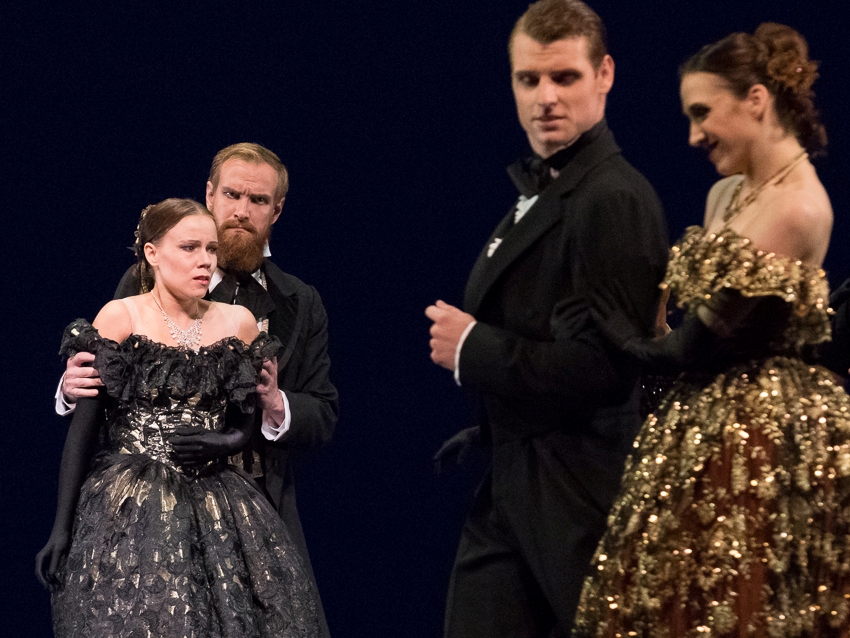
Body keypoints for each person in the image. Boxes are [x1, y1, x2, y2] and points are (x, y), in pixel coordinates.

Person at [574, 23, 850, 637]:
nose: (694, 135)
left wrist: (619, 341)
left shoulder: (800, 207)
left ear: (756, 100)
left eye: (703, 114)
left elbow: (694, 343)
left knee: (737, 594)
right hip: (697, 424)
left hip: (760, 438)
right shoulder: (726, 193)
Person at [425, 0, 668, 634]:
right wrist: (489, 428)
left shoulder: (611, 197)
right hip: (519, 482)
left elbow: (608, 366)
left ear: (605, 75)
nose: (544, 98)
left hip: (578, 493)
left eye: (564, 78)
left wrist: (474, 348)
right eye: (528, 79)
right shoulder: (546, 192)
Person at [56, 143, 338, 637]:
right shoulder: (145, 280)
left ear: (277, 210)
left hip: (255, 505)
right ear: (210, 194)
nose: (241, 211)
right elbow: (113, 382)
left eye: (257, 200)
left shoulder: (299, 301)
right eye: (231, 194)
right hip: (146, 508)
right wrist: (70, 387)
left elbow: (322, 412)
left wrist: (274, 404)